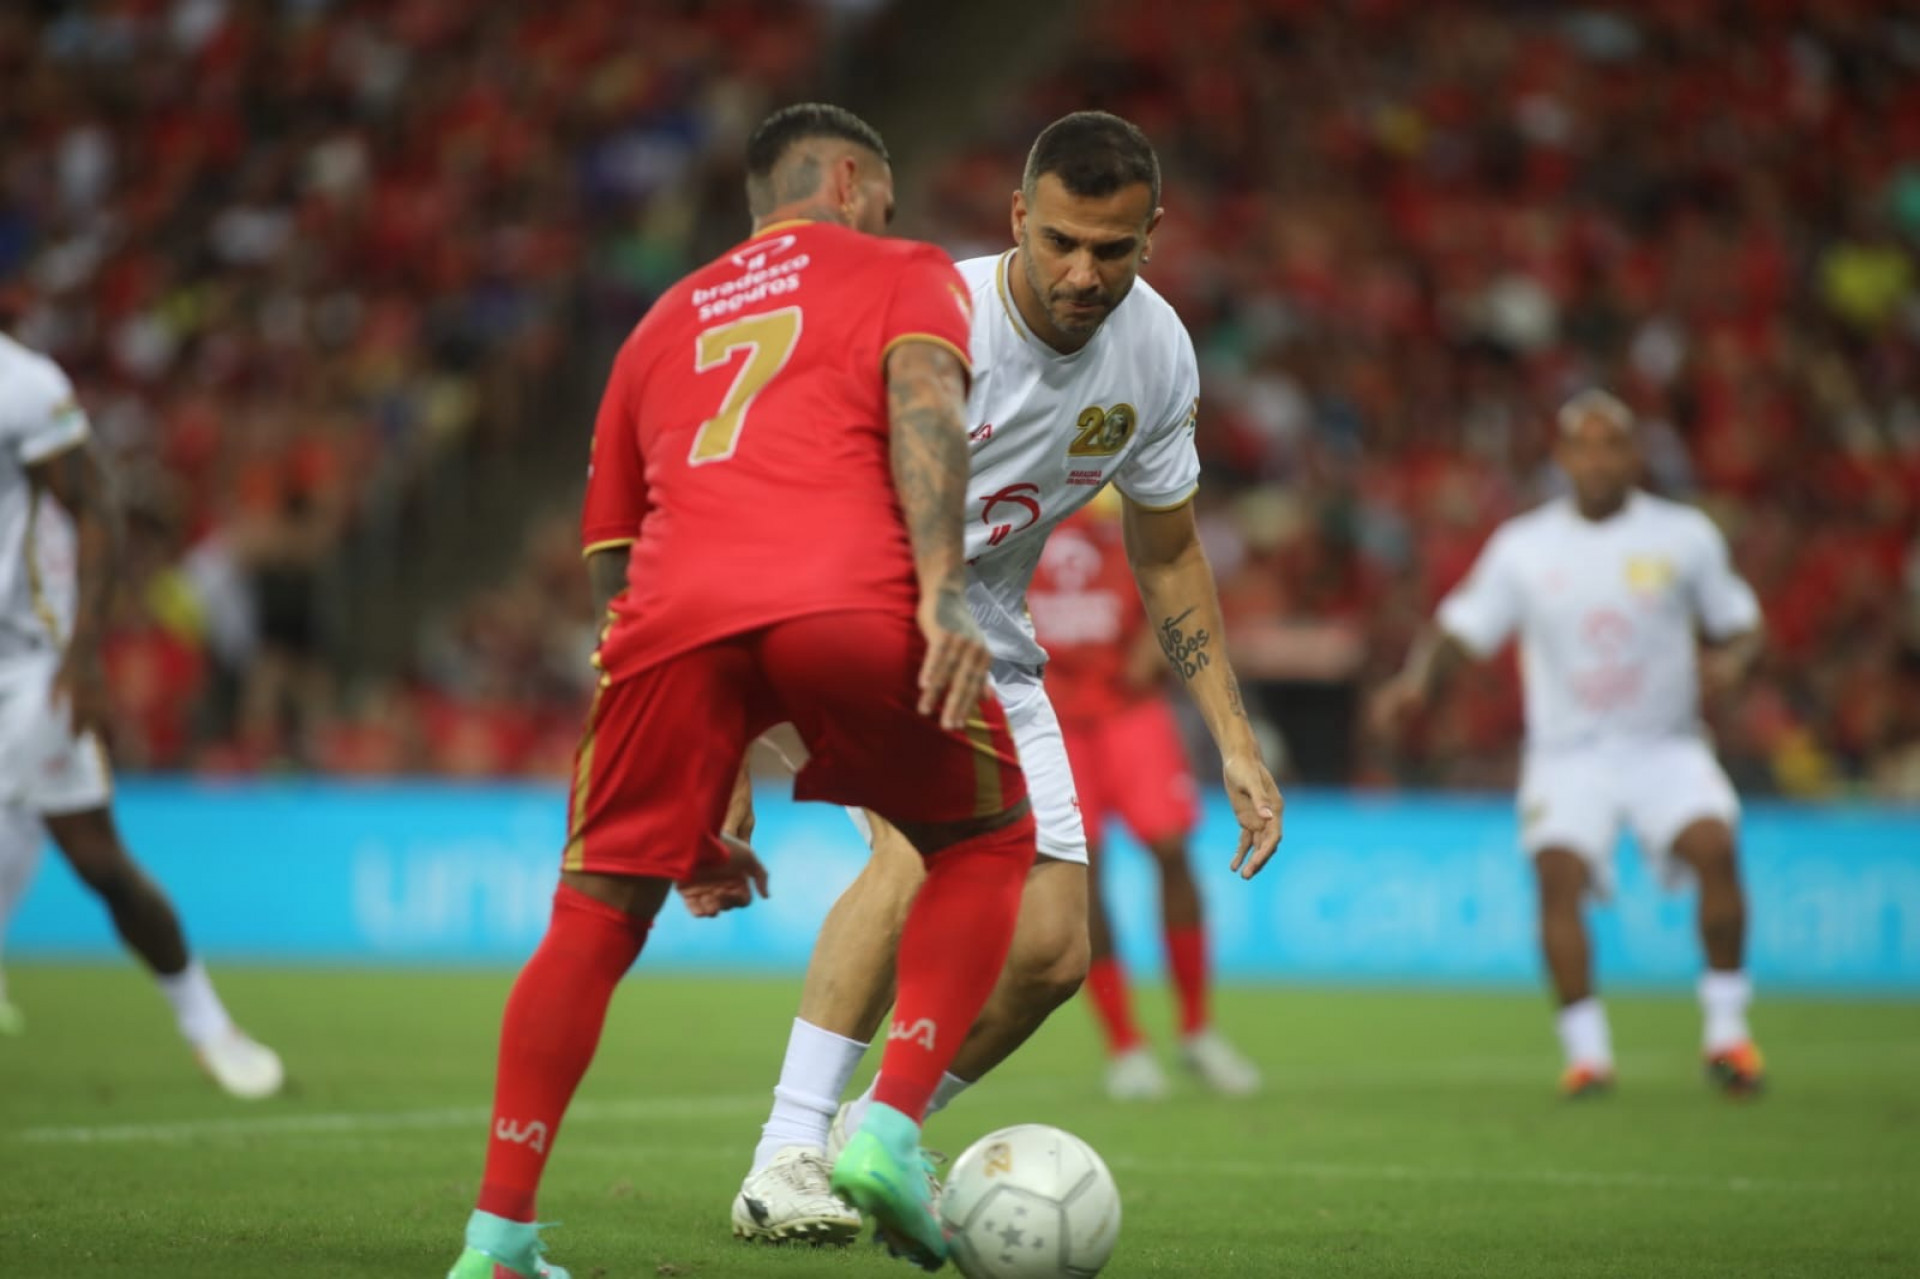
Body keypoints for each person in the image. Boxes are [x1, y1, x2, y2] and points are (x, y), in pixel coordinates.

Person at [447, 103, 1040, 1279]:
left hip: (668, 628)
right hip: (847, 596)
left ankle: (496, 1240)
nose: (889, 202)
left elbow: (619, 556)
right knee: (985, 839)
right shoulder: (901, 268)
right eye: (882, 183)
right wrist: (937, 589)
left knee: (593, 915)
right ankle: (886, 1122)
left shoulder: (658, 327)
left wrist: (706, 766)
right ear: (847, 175)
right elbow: (924, 395)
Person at [731, 111, 1284, 1245]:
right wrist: (729, 707)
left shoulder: (1158, 352)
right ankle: (784, 1151)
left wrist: (1231, 735)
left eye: (1116, 250)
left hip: (989, 635)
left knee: (1049, 955)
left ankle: (874, 1133)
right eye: (1065, 242)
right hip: (850, 597)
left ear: (1153, 235)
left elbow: (1169, 552)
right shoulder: (929, 313)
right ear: (1019, 217)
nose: (1086, 275)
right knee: (918, 851)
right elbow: (767, 477)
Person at [1373, 389, 1766, 1100]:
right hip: (1568, 754)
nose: (1597, 458)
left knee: (1715, 849)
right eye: (1583, 445)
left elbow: (1741, 620)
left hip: (1666, 745)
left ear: (1633, 454)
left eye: (1611, 443)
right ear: (1561, 457)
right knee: (1558, 873)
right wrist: (1416, 683)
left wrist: (1735, 662)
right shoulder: (1525, 547)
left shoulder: (1684, 536)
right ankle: (1587, 1055)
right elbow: (1462, 627)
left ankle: (1728, 1036)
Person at [0, 330, 283, 1098]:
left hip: (32, 662)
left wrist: (84, 654)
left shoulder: (22, 384)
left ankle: (208, 1025)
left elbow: (97, 506)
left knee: (95, 856)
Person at [1026, 497, 1260, 1100]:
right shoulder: (1023, 512)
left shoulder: (1124, 514)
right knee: (1083, 870)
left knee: (1171, 847)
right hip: (1051, 713)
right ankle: (1125, 1044)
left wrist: (1157, 646)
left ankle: (1195, 1029)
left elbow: (1180, 584)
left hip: (1130, 710)